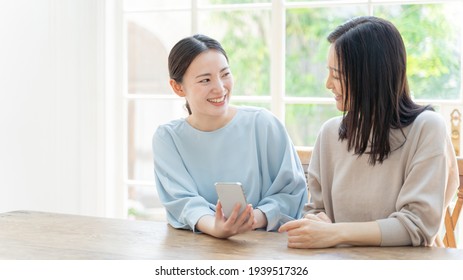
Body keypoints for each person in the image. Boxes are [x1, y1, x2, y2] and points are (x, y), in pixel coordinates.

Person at [279, 16, 459, 248]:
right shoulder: (329, 134)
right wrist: (316, 221)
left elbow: (417, 225)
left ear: (370, 77)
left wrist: (336, 233)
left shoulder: (426, 128)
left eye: (337, 75)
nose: (327, 84)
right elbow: (315, 211)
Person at [152, 34, 308, 239]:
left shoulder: (263, 124)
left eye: (225, 74)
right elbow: (182, 202)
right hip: (199, 249)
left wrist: (254, 218)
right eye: (205, 80)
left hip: (267, 248)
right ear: (178, 87)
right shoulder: (168, 138)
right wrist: (216, 227)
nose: (220, 87)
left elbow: (292, 193)